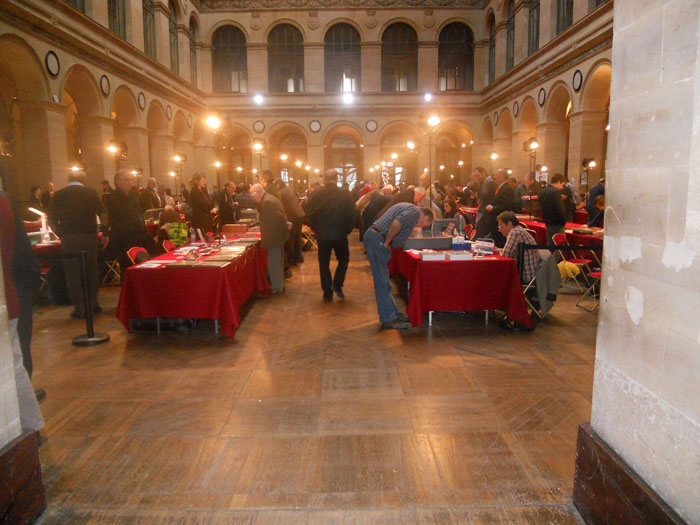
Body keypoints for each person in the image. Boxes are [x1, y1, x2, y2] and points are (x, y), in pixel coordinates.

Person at [0, 191, 44, 433]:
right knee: (14, 363)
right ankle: (27, 431)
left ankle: (23, 435)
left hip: (8, 297)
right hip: (11, 295)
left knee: (12, 365)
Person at [364, 203, 434, 330]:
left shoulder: (411, 209)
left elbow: (397, 237)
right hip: (377, 239)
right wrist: (386, 242)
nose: (420, 227)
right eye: (424, 225)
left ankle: (393, 313)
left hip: (375, 237)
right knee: (382, 282)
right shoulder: (414, 213)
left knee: (385, 282)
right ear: (425, 217)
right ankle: (388, 318)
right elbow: (397, 223)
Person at [49, 170, 107, 319]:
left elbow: (51, 219)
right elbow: (104, 214)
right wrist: (105, 232)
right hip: (89, 237)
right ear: (84, 179)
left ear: (68, 179)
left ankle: (79, 308)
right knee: (91, 273)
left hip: (69, 239)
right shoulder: (91, 193)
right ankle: (93, 304)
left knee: (72, 274)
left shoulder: (59, 194)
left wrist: (61, 233)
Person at [307, 170, 357, 301]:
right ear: (337, 179)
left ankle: (327, 291)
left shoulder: (316, 193)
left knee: (324, 263)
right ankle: (337, 285)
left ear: (325, 179)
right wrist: (348, 229)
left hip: (322, 234)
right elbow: (352, 213)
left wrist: (314, 228)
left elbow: (309, 213)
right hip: (340, 233)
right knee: (344, 260)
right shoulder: (345, 193)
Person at [104, 168, 155, 275]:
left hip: (137, 236)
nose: (130, 183)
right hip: (123, 238)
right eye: (126, 180)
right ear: (117, 182)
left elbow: (138, 213)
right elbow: (113, 219)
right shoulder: (111, 198)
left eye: (131, 180)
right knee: (127, 268)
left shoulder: (134, 195)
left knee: (140, 266)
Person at [250, 183, 289, 294]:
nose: (253, 198)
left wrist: (286, 225)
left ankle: (277, 287)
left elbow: (279, 218)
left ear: (257, 192)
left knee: (274, 263)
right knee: (276, 262)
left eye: (252, 195)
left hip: (273, 237)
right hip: (275, 236)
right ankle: (279, 284)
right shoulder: (270, 199)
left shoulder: (267, 202)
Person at [497, 211, 539, 283]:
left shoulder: (515, 232)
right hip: (530, 274)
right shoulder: (519, 229)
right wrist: (497, 250)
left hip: (525, 276)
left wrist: (497, 251)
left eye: (501, 225)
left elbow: (506, 255)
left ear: (509, 224)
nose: (499, 229)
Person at [481, 169, 514, 247]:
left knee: (500, 243)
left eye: (497, 175)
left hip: (501, 221)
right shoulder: (500, 188)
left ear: (502, 176)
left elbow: (507, 206)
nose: (495, 177)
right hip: (495, 222)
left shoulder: (507, 189)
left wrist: (493, 208)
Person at [540, 173, 567, 242]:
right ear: (558, 182)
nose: (562, 187)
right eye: (562, 184)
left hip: (547, 221)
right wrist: (563, 220)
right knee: (559, 244)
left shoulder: (543, 191)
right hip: (557, 222)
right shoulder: (556, 192)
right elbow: (559, 208)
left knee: (551, 242)